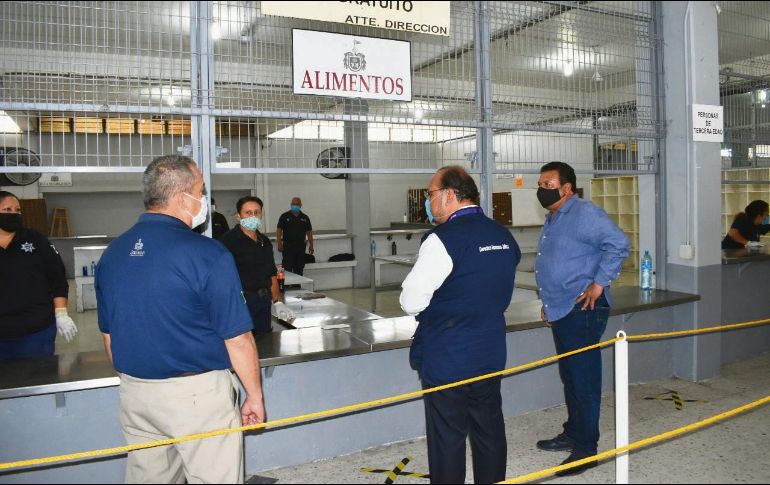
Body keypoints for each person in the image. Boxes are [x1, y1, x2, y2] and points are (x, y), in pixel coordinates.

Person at [95, 155, 265, 484]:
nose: (204, 200)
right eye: (201, 191)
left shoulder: (113, 253)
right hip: (197, 395)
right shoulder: (207, 254)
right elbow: (237, 338)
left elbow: (109, 335)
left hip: (135, 393)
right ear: (182, 198)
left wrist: (140, 383)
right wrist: (254, 395)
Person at [400, 166, 521, 484]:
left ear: (449, 195)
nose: (428, 202)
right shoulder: (502, 235)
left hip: (448, 355)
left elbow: (411, 301)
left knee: (447, 438)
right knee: (489, 430)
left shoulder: (443, 239)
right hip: (489, 351)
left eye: (430, 194)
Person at [533, 162, 629, 476]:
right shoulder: (554, 216)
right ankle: (573, 433)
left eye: (548, 184)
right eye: (540, 184)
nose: (542, 190)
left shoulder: (585, 213)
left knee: (584, 381)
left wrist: (599, 284)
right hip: (563, 307)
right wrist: (549, 302)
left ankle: (586, 450)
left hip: (583, 309)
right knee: (571, 377)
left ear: (567, 188)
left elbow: (618, 244)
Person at [0, 191, 77, 361]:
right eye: (7, 209)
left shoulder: (35, 240)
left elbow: (58, 278)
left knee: (38, 374)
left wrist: (61, 314)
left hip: (36, 330)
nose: (14, 214)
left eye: (17, 210)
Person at [220, 196, 295, 337]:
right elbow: (220, 276)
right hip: (241, 303)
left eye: (257, 212)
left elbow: (271, 273)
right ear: (238, 216)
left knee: (265, 340)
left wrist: (277, 302)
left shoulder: (264, 241)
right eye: (248, 213)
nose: (253, 216)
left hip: (263, 301)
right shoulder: (228, 241)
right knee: (244, 342)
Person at [276, 197, 314, 275]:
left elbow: (309, 232)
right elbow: (279, 231)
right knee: (287, 268)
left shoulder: (305, 218)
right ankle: (287, 283)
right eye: (293, 204)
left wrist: (311, 245)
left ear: (300, 205)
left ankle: (298, 282)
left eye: (297, 204)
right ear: (291, 205)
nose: (295, 206)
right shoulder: (284, 216)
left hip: (300, 248)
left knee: (299, 269)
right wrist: (279, 243)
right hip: (288, 247)